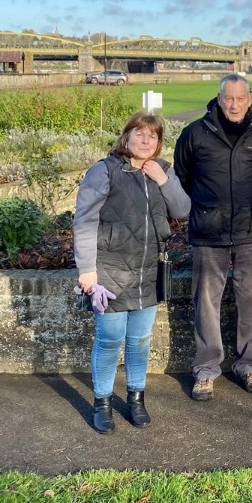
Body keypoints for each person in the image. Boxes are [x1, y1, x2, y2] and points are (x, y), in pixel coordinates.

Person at [74, 112, 191, 434]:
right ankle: (102, 403)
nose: (145, 141)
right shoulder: (105, 170)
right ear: (126, 138)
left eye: (152, 137)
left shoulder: (162, 171)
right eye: (139, 134)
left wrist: (163, 181)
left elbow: (182, 210)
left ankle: (136, 399)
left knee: (139, 341)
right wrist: (87, 270)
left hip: (148, 272)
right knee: (110, 340)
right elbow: (84, 220)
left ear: (158, 143)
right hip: (109, 273)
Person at [174, 73, 252, 402]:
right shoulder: (195, 134)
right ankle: (206, 370)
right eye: (228, 98)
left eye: (240, 98)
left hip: (250, 229)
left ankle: (248, 365)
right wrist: (205, 208)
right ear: (219, 100)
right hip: (209, 230)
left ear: (249, 100)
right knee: (206, 302)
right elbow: (183, 176)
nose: (234, 104)